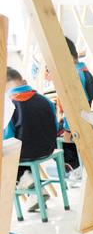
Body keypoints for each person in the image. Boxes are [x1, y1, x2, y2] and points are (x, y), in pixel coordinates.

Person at [4, 67, 59, 212]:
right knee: (22, 149)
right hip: (48, 148)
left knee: (8, 155)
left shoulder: (9, 106)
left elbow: (8, 138)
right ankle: (34, 191)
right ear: (23, 81)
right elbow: (55, 126)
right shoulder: (45, 100)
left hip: (25, 153)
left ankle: (27, 179)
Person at [59, 37, 93, 177]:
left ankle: (75, 167)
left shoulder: (75, 77)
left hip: (81, 124)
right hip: (90, 120)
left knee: (55, 134)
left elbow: (75, 106)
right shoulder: (84, 71)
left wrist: (67, 129)